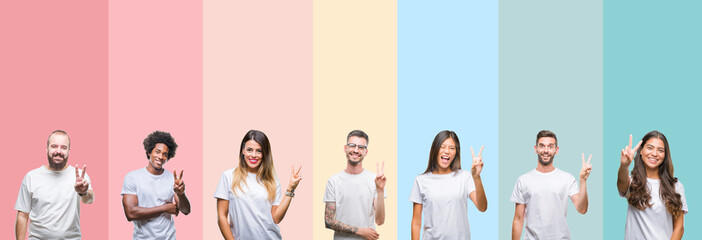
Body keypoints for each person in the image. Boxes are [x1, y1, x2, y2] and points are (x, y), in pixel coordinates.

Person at [214, 130, 302, 240]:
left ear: (264, 154)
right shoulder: (228, 177)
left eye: (259, 151)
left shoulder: (272, 180)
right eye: (249, 150)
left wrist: (291, 189)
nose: (254, 155)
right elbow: (221, 216)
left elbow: (276, 219)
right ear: (243, 151)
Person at [511, 130, 592, 240]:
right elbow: (518, 219)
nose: (545, 150)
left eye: (550, 146)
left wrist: (583, 181)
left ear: (556, 150)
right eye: (542, 146)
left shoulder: (567, 178)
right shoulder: (523, 180)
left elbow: (582, 209)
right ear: (536, 149)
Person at [15, 130, 94, 240]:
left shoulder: (79, 176)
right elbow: (22, 215)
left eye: (63, 147)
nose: (58, 151)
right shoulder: (31, 177)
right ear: (47, 149)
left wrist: (83, 192)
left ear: (68, 151)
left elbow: (89, 199)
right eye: (54, 146)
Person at [410, 130, 487, 240]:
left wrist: (476, 177)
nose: (447, 151)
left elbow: (482, 207)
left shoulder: (465, 177)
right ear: (435, 149)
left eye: (452, 148)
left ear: (456, 152)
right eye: (443, 146)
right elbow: (416, 223)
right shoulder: (421, 180)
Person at [121, 131, 191, 240]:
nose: (161, 156)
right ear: (149, 152)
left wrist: (181, 194)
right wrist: (164, 208)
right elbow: (130, 214)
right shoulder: (132, 177)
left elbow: (186, 211)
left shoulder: (172, 179)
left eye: (165, 154)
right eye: (157, 152)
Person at [617, 131, 686, 239]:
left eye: (660, 150)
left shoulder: (676, 186)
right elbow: (621, 184)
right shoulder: (632, 182)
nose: (654, 153)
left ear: (665, 155)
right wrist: (624, 166)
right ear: (641, 151)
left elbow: (679, 227)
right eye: (650, 147)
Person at [324, 130, 386, 240]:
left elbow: (380, 221)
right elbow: (328, 221)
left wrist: (380, 190)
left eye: (361, 147)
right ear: (345, 148)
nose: (356, 150)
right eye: (352, 145)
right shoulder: (334, 181)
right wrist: (360, 231)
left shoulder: (374, 180)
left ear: (366, 152)